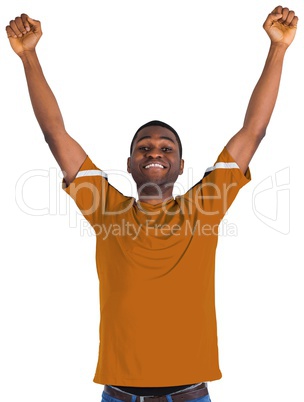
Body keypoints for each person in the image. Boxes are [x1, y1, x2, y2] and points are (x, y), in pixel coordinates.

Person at [6, 5, 298, 402]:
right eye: (144, 147)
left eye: (165, 147)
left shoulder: (205, 207)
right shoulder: (105, 208)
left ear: (180, 165)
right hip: (119, 395)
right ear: (129, 163)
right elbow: (55, 135)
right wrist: (28, 56)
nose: (154, 152)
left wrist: (278, 49)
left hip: (190, 395)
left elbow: (254, 131)